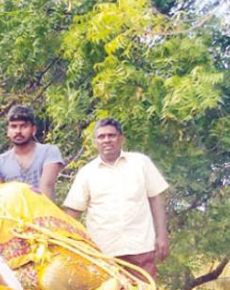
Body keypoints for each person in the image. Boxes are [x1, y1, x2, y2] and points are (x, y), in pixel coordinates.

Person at [63, 117, 169, 279]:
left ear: (121, 139)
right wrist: (67, 244)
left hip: (140, 248)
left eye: (111, 136)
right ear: (95, 142)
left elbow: (156, 199)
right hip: (103, 252)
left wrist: (162, 235)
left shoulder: (140, 163)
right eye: (101, 137)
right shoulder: (87, 173)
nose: (107, 140)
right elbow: (73, 213)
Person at [0, 106, 64, 200]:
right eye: (13, 126)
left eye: (24, 126)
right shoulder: (0, 161)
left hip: (44, 211)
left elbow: (47, 187)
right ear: (8, 131)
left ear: (33, 130)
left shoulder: (49, 152)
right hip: (11, 213)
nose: (18, 131)